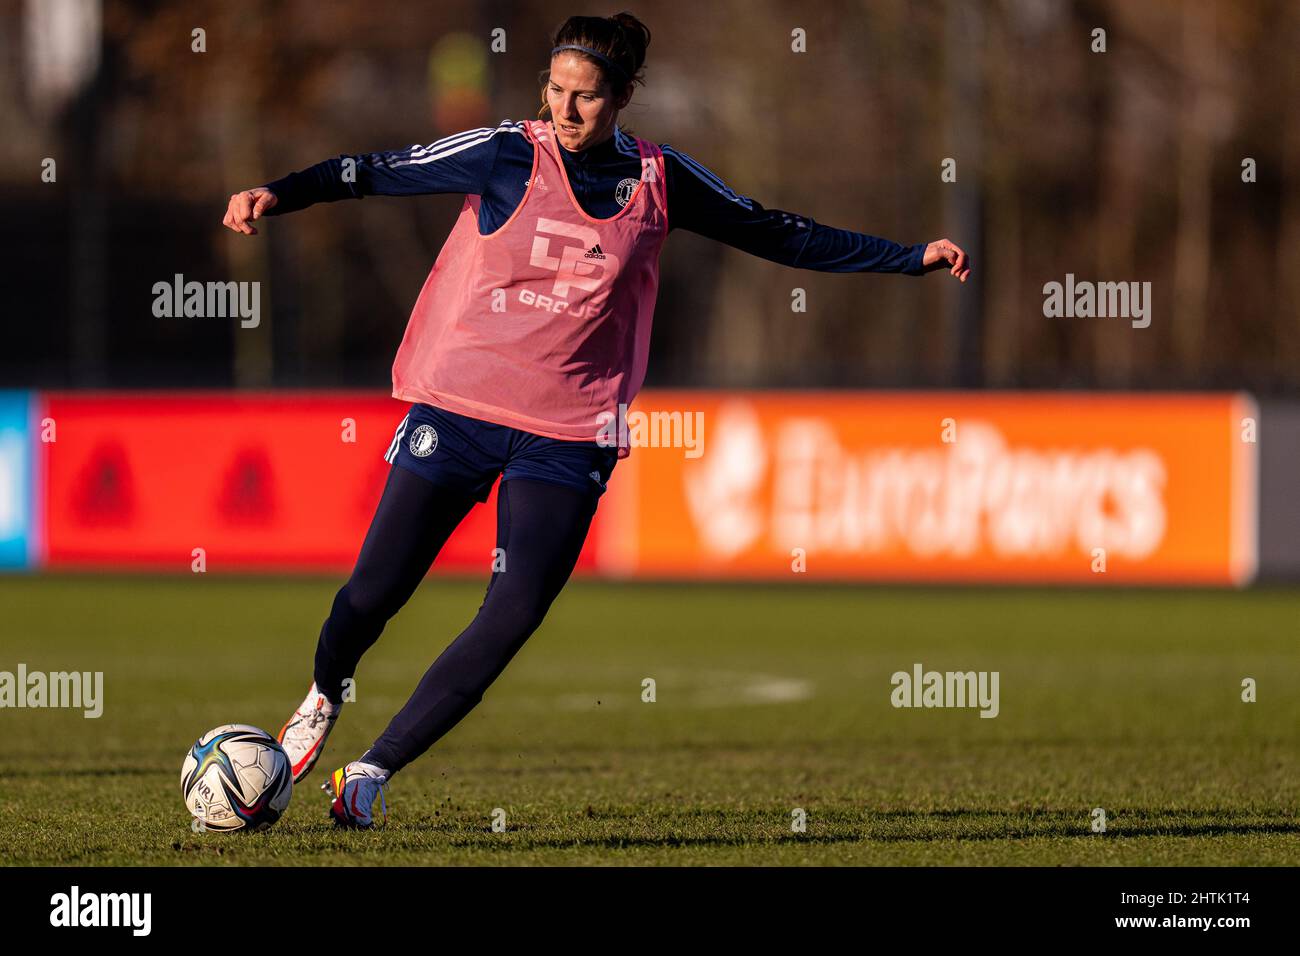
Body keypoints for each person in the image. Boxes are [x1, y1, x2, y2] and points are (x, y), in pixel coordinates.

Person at [222, 11, 971, 828]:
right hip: (461, 404)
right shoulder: (505, 150)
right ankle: (325, 694)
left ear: (622, 98)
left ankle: (372, 772)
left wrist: (907, 258)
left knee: (515, 610)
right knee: (373, 591)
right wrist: (278, 193)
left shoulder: (660, 179)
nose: (565, 111)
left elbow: (775, 231)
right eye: (555, 90)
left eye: (586, 97)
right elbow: (371, 170)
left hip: (569, 430)